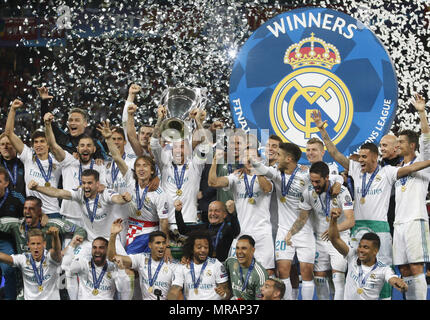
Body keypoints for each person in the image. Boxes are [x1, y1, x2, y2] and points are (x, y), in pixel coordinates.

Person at [313, 108, 430, 299]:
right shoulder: (356, 169)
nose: (360, 160)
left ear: (375, 158)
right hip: (358, 226)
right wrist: (322, 130)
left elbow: (414, 167)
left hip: (381, 227)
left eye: (364, 157)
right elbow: (334, 153)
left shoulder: (388, 172)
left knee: (383, 269)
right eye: (359, 156)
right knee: (355, 267)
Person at [97, 120, 171, 258]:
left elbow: (164, 222)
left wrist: (165, 246)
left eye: (145, 166)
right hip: (131, 229)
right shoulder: (130, 180)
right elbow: (117, 158)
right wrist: (108, 139)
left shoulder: (159, 192)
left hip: (150, 232)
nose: (141, 169)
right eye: (138, 166)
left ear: (152, 171)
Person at [286, 161, 355, 300]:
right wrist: (290, 232)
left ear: (327, 178)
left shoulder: (342, 191)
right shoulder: (308, 192)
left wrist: (334, 230)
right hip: (320, 240)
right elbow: (302, 218)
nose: (315, 185)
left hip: (340, 239)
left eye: (318, 181)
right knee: (320, 280)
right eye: (312, 181)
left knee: (338, 279)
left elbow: (350, 220)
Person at [209, 147, 275, 274]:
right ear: (241, 159)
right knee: (236, 272)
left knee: (268, 272)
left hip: (262, 233)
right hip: (241, 233)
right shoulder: (236, 177)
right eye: (246, 156)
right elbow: (213, 183)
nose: (250, 159)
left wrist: (258, 169)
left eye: (253, 156)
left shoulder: (266, 175)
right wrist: (215, 161)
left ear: (260, 159)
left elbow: (267, 188)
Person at [43, 112, 107, 229]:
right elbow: (53, 145)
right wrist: (47, 125)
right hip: (70, 216)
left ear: (94, 149)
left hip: (93, 215)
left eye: (88, 146)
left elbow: (104, 186)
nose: (85, 148)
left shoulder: (99, 166)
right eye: (82, 146)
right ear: (77, 149)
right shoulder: (69, 160)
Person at [328, 209, 408, 300]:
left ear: (375, 251)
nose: (360, 250)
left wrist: (399, 283)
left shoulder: (383, 269)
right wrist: (333, 220)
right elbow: (334, 238)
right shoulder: (352, 255)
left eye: (365, 247)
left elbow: (392, 278)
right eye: (360, 246)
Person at [150, 105, 209, 225]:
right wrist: (160, 119)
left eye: (182, 147)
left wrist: (198, 121)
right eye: (175, 147)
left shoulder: (195, 165)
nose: (178, 150)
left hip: (190, 222)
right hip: (166, 222)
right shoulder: (164, 165)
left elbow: (205, 145)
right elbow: (154, 143)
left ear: (188, 149)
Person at [394, 106, 430, 300]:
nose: (397, 145)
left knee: (416, 267)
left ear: (412, 146)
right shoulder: (398, 168)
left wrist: (422, 113)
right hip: (399, 223)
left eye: (401, 142)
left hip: (415, 220)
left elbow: (426, 137)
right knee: (404, 270)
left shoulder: (423, 162)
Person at [5, 99, 62, 218]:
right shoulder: (28, 156)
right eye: (36, 142)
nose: (38, 144)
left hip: (53, 211)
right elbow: (9, 133)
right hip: (32, 212)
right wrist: (12, 110)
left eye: (42, 141)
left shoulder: (57, 160)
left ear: (48, 144)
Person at [108, 222, 178, 300]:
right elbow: (112, 257)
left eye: (163, 243)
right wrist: (113, 235)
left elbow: (177, 293)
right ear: (150, 245)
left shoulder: (173, 265)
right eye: (158, 243)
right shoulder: (141, 259)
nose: (161, 246)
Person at [37, 86, 108, 161]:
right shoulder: (62, 138)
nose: (72, 123)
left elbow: (104, 163)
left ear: (85, 124)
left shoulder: (94, 143)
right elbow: (47, 121)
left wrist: (100, 159)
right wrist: (44, 102)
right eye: (70, 120)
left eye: (77, 120)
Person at [0, 228, 62, 300]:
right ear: (28, 245)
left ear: (44, 244)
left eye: (38, 243)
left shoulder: (51, 259)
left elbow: (57, 251)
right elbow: (3, 257)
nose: (36, 247)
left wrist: (55, 236)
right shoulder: (23, 259)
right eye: (33, 244)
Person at [167, 230, 231, 300]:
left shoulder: (216, 264)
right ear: (191, 249)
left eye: (206, 247)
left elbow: (226, 292)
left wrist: (224, 294)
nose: (203, 250)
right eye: (199, 247)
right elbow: (174, 289)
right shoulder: (183, 266)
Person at [174, 199, 240, 262]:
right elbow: (183, 230)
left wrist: (232, 214)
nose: (213, 213)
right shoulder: (203, 227)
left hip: (223, 265)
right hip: (205, 265)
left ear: (224, 214)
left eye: (217, 211)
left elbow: (236, 230)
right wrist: (178, 212)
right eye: (210, 211)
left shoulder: (228, 228)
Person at [61, 235, 125, 300]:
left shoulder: (113, 268)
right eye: (94, 247)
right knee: (69, 273)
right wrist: (73, 244)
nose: (97, 250)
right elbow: (65, 266)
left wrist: (121, 270)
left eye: (101, 248)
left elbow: (121, 288)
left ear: (107, 250)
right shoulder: (84, 263)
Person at [0, 167, 23, 300]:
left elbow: (28, 212)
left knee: (9, 270)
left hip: (6, 241)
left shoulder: (16, 197)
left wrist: (43, 216)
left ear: (6, 183)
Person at [224, 235, 268, 300]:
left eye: (244, 248)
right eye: (237, 248)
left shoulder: (260, 274)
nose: (239, 252)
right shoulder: (230, 262)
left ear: (252, 250)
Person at [379, 134, 402, 237]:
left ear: (395, 147)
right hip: (383, 217)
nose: (381, 149)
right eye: (380, 146)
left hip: (401, 216)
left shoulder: (406, 164)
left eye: (384, 145)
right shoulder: (378, 165)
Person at [0, 133, 26, 204]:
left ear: (15, 146)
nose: (5, 147)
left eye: (8, 143)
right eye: (2, 144)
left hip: (22, 209)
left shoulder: (24, 164)